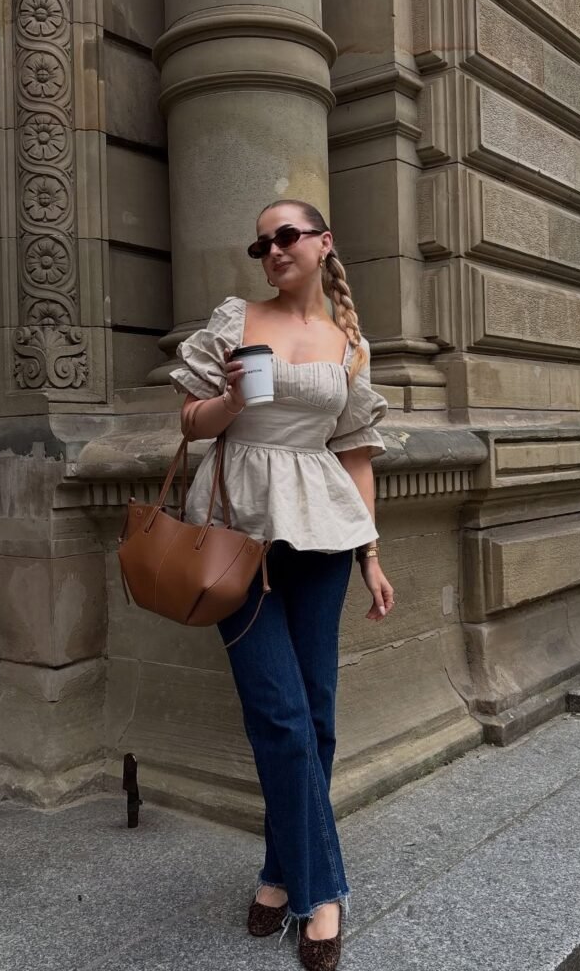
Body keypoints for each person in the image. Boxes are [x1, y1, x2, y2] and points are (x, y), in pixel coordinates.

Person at [168, 200, 395, 971]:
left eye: (286, 236)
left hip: (324, 536)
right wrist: (232, 400)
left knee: (317, 716)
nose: (272, 250)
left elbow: (356, 452)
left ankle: (276, 873)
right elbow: (190, 424)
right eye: (262, 241)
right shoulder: (235, 319)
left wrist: (370, 552)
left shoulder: (347, 342)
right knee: (280, 714)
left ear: (323, 242)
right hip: (238, 538)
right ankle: (321, 892)